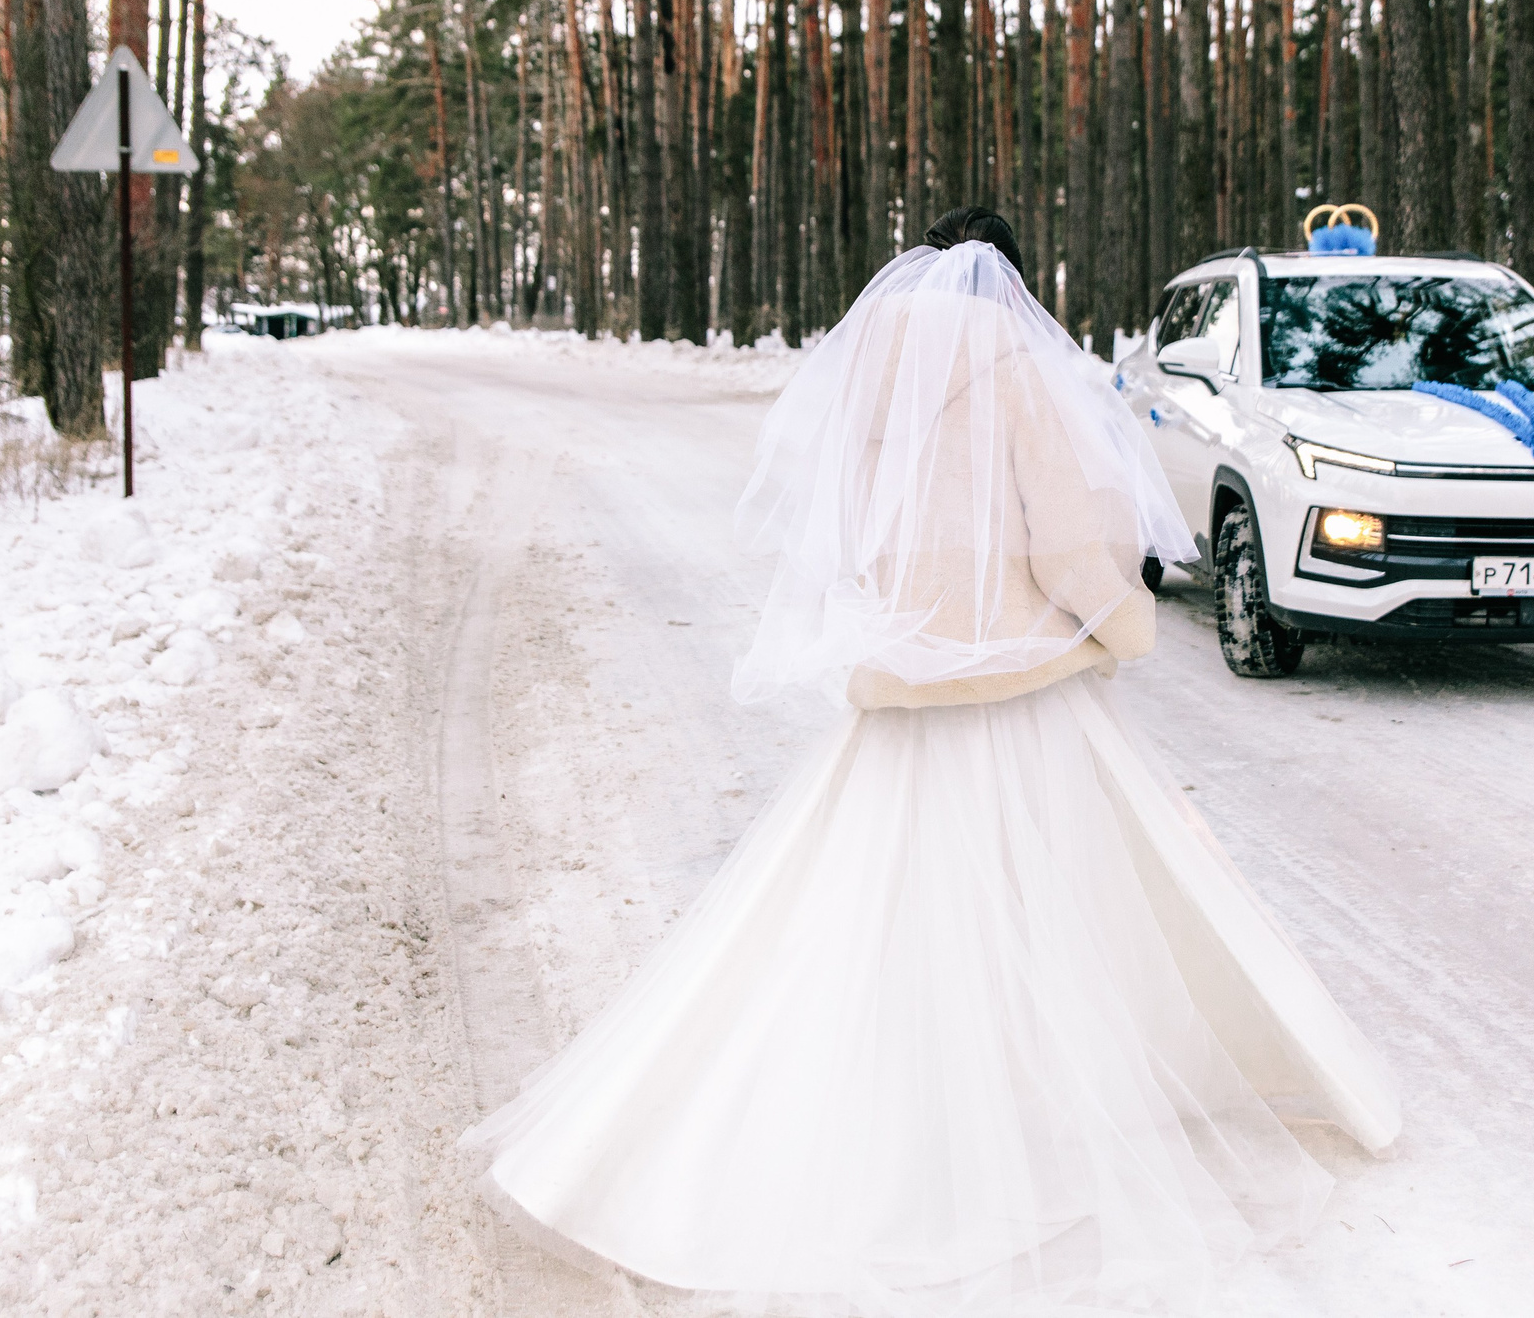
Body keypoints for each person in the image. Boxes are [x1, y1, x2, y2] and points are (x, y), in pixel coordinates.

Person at [463, 207, 1399, 1313]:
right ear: (1008, 282)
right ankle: (1030, 1119)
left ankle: (843, 1133)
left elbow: (851, 538)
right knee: (1053, 916)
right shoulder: (1024, 375)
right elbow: (1067, 545)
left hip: (905, 696)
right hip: (1020, 700)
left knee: (870, 922)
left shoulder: (871, 381)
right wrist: (1124, 626)